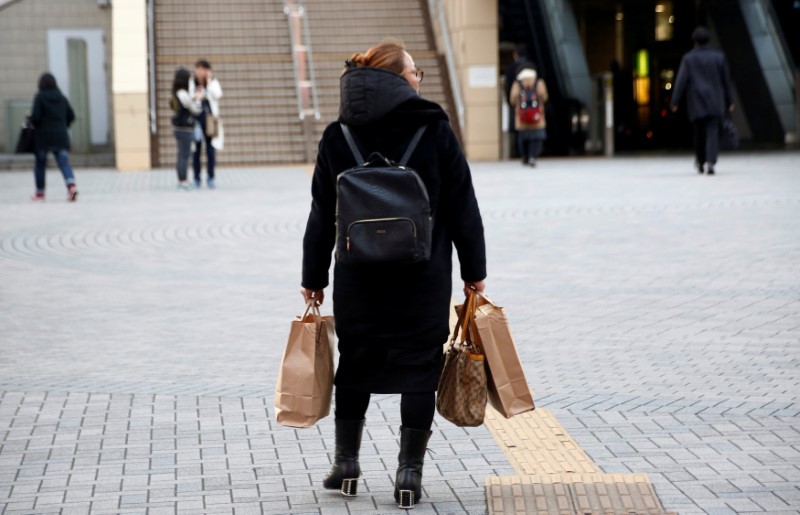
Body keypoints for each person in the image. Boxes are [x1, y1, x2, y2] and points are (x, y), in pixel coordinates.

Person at [301, 41, 487, 509]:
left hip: (357, 276)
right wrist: (474, 271)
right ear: (399, 79)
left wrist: (313, 276)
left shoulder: (336, 135)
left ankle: (346, 463)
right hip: (421, 277)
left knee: (356, 363)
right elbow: (463, 203)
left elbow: (323, 214)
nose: (419, 78)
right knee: (419, 369)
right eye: (415, 71)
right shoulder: (434, 128)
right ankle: (408, 475)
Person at [670, 26, 734, 175]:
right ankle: (711, 162)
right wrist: (730, 101)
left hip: (696, 101)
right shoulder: (719, 57)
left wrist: (675, 101)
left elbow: (681, 81)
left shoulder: (688, 58)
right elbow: (726, 81)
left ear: (694, 42)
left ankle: (700, 162)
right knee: (712, 130)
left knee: (698, 132)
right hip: (715, 101)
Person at [29, 73, 78, 202]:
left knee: (40, 164)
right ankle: (71, 186)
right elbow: (71, 115)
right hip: (61, 136)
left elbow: (36, 117)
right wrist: (63, 124)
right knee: (64, 162)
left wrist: (32, 121)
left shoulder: (40, 98)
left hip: (43, 137)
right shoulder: (62, 98)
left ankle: (40, 193)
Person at [189, 59, 223, 189]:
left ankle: (211, 178)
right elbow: (190, 97)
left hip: (210, 120)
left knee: (210, 149)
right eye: (197, 69)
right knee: (196, 151)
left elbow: (218, 95)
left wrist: (208, 83)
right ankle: (196, 178)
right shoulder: (192, 82)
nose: (199, 72)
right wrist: (195, 96)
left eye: (202, 69)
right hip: (196, 120)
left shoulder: (213, 82)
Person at [509, 66, 549, 167]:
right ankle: (533, 156)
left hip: (522, 116)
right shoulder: (538, 82)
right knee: (536, 137)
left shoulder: (517, 83)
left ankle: (525, 157)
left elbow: (513, 98)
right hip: (536, 116)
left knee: (523, 138)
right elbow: (544, 96)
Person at [170, 67, 202, 190]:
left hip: (177, 128)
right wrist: (198, 99)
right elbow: (195, 110)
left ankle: (181, 180)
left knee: (181, 155)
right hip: (185, 128)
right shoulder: (183, 94)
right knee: (184, 155)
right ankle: (183, 181)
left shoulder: (175, 93)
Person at [503, 44, 528, 158]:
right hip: (532, 104)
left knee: (519, 130)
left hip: (517, 104)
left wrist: (510, 102)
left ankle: (520, 153)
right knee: (531, 127)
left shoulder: (511, 68)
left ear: (515, 55)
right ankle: (530, 153)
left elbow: (508, 88)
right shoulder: (532, 67)